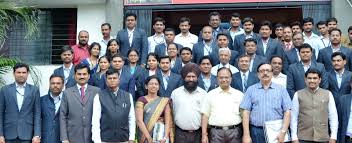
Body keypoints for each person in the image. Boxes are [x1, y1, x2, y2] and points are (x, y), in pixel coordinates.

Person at [240, 63, 292, 143]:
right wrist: (246, 134)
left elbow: (287, 111)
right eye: (262, 71)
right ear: (258, 74)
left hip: (276, 131)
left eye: (268, 71)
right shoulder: (251, 90)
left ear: (272, 73)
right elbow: (246, 112)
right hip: (256, 131)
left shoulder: (281, 89)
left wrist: (283, 132)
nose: (265, 73)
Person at [290, 68, 338, 143]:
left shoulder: (328, 94)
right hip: (303, 138)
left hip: (323, 138)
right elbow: (293, 117)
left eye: (315, 78)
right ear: (305, 80)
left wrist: (333, 136)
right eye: (309, 78)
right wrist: (294, 137)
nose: (312, 80)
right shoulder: (298, 94)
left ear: (320, 80)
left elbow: (333, 116)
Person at [201, 67, 244, 143]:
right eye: (221, 77)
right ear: (217, 79)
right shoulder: (210, 95)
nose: (224, 80)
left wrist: (246, 134)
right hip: (215, 133)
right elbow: (205, 115)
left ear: (231, 78)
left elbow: (244, 116)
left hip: (235, 132)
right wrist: (204, 135)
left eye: (226, 77)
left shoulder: (239, 95)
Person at [0, 63, 41, 143]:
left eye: (24, 72)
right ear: (14, 73)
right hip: (8, 134)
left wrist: (36, 134)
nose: (21, 75)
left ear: (28, 73)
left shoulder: (34, 90)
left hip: (27, 134)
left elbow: (37, 113)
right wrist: (0, 134)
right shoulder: (5, 90)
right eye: (18, 72)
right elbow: (0, 113)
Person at [60, 63, 101, 143]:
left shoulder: (97, 91)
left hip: (92, 137)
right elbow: (63, 116)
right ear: (75, 75)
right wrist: (64, 138)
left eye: (84, 74)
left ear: (89, 76)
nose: (82, 76)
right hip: (73, 137)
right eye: (79, 74)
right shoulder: (67, 93)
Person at [91, 69, 135, 143]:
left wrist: (131, 137)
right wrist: (97, 140)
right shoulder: (99, 96)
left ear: (119, 80)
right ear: (106, 80)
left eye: (114, 78)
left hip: (124, 138)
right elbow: (95, 120)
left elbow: (131, 118)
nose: (112, 80)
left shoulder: (128, 96)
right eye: (109, 78)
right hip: (105, 139)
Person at [171, 63, 206, 143]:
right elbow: (171, 113)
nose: (191, 79)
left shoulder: (203, 94)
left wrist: (204, 134)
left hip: (198, 134)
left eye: (193, 77)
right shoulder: (175, 93)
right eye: (188, 77)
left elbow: (205, 115)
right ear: (184, 78)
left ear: (197, 78)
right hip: (179, 134)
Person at [136, 76, 172, 143]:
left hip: (160, 136)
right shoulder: (141, 100)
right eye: (151, 84)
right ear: (146, 86)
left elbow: (168, 122)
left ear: (158, 87)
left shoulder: (164, 101)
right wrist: (148, 138)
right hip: (145, 136)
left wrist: (165, 137)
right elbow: (139, 121)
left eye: (156, 84)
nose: (154, 86)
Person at [41, 75, 65, 143]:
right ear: (49, 84)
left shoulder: (68, 100)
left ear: (63, 85)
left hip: (63, 139)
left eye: (58, 83)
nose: (55, 85)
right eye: (53, 83)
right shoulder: (41, 100)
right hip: (46, 138)